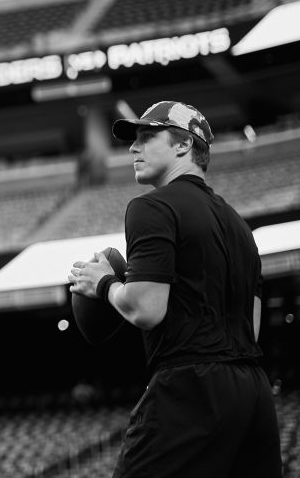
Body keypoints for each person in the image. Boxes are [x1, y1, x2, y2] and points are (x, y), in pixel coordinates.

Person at [67, 100, 280, 477]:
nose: (133, 147)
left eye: (147, 137)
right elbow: (254, 325)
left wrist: (102, 284)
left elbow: (146, 309)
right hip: (253, 391)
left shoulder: (151, 207)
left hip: (190, 388)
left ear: (183, 145)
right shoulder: (240, 226)